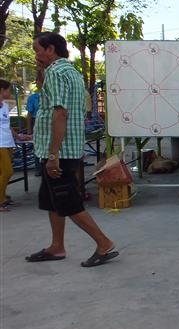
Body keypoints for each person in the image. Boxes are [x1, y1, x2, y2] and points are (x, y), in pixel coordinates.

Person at [25, 32, 119, 267]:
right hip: (68, 147)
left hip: (59, 151)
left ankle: (103, 243)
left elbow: (60, 113)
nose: (36, 55)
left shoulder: (56, 73)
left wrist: (53, 155)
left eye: (38, 50)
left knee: (68, 202)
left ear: (50, 50)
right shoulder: (72, 72)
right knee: (51, 201)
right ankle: (57, 247)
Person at [0, 79, 17, 211]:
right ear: (2, 90)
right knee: (8, 172)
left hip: (8, 141)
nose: (10, 92)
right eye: (8, 90)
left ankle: (3, 195)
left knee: (3, 172)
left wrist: (18, 135)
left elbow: (7, 125)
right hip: (0, 144)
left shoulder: (5, 106)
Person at [26, 69, 44, 175]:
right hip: (35, 121)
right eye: (36, 81)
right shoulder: (33, 97)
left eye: (38, 81)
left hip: (46, 121)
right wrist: (29, 130)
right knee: (36, 146)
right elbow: (29, 114)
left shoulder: (49, 95)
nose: (37, 83)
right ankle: (39, 168)